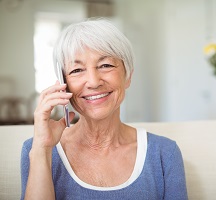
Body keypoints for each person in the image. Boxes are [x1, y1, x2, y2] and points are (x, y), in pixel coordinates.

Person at [20, 18, 188, 200]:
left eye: (105, 65)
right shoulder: (36, 149)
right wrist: (42, 150)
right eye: (77, 70)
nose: (93, 82)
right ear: (63, 84)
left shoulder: (165, 153)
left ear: (128, 76)